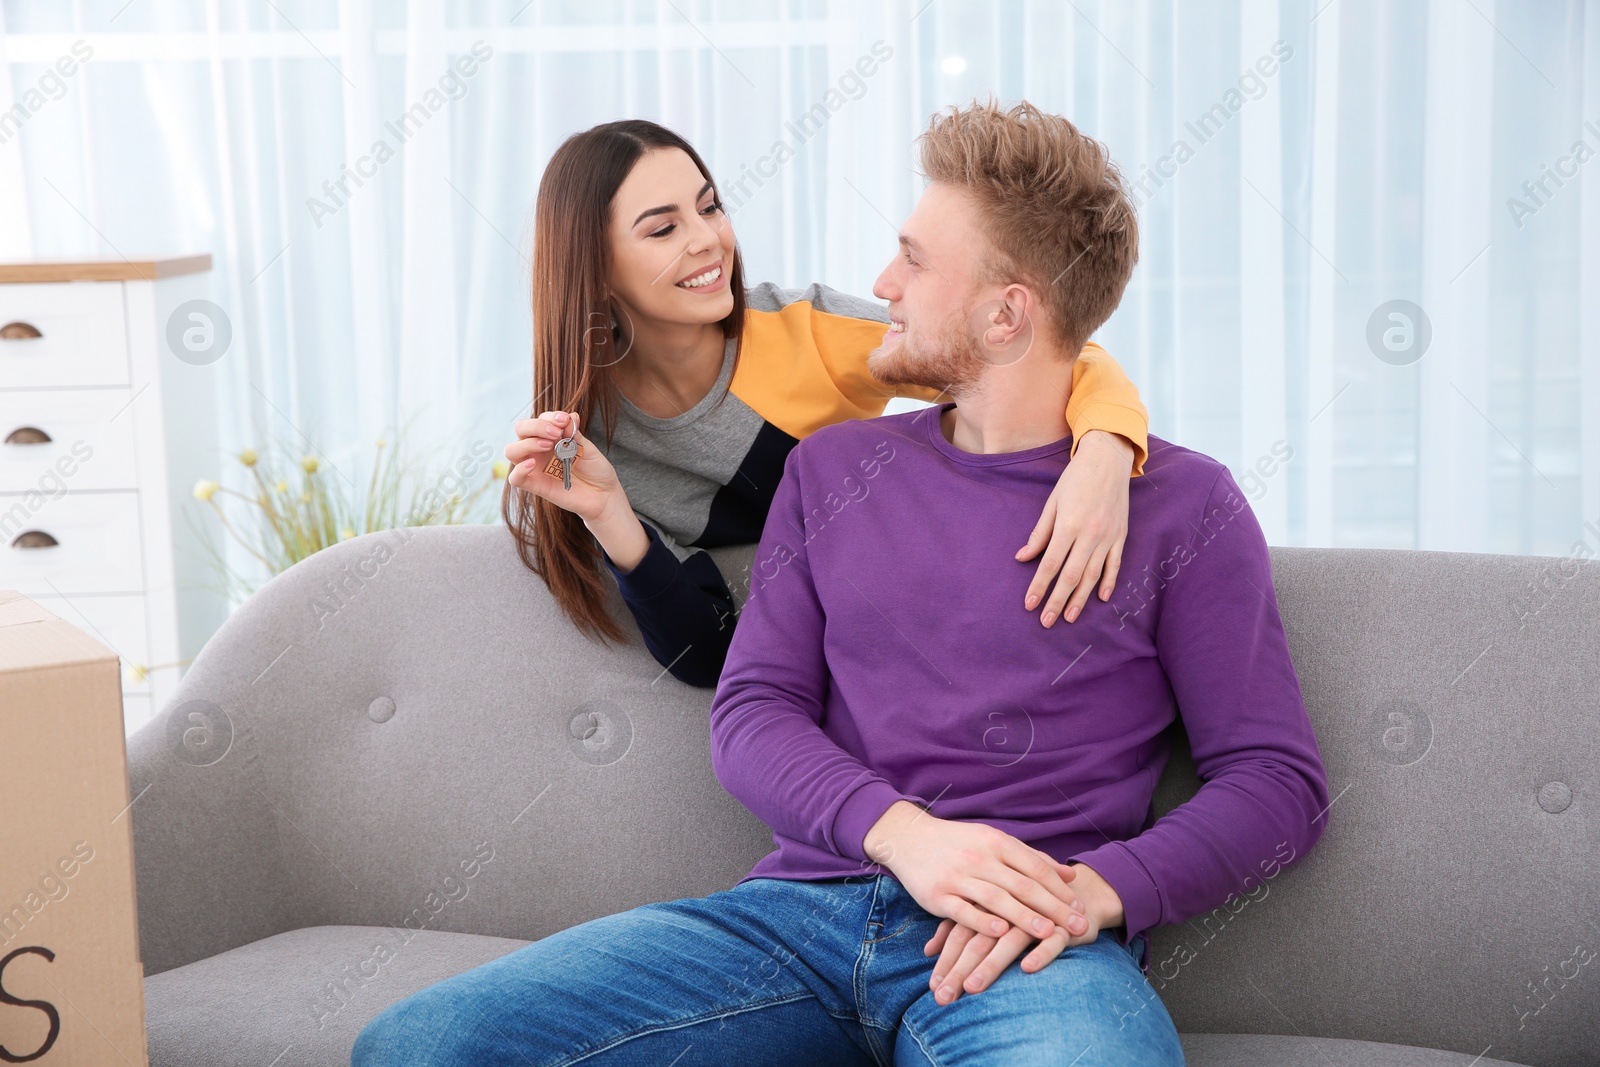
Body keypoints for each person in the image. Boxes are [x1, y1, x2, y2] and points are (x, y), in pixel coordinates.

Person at [354, 99, 1329, 1066]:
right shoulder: (830, 470)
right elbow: (749, 708)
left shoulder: (1182, 505)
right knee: (420, 1042)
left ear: (1004, 312)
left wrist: (1090, 892)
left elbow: (1276, 782)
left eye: (913, 258)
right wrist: (906, 836)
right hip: (797, 919)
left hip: (1025, 947)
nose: (881, 283)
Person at [498, 118, 1151, 687]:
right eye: (664, 228)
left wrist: (1105, 451)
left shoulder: (805, 329)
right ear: (596, 267)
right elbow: (705, 653)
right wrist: (612, 513)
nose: (708, 239)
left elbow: (1041, 351)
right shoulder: (593, 451)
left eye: (710, 207)